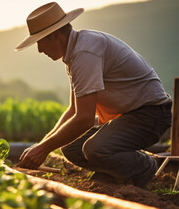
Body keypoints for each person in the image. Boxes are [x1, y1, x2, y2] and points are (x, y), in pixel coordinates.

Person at [15, 2, 172, 189]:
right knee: (70, 147)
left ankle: (144, 166)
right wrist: (41, 146)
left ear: (55, 36)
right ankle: (113, 173)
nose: (40, 49)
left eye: (40, 41)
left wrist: (43, 149)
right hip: (129, 115)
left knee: (95, 148)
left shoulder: (85, 52)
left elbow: (84, 119)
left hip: (151, 114)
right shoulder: (74, 54)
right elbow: (73, 110)